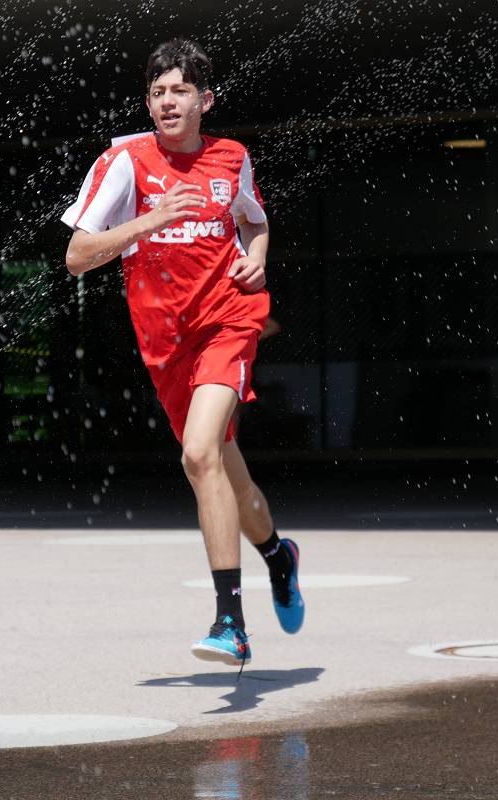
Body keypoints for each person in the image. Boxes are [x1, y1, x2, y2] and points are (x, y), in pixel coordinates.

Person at [61, 39, 304, 667]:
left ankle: (231, 623)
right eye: (157, 93)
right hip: (167, 346)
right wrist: (151, 219)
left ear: (205, 100)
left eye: (180, 91)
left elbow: (254, 220)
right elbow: (77, 257)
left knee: (199, 455)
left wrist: (257, 258)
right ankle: (279, 555)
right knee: (228, 475)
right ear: (148, 104)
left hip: (227, 321)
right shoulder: (124, 162)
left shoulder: (232, 158)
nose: (167, 102)